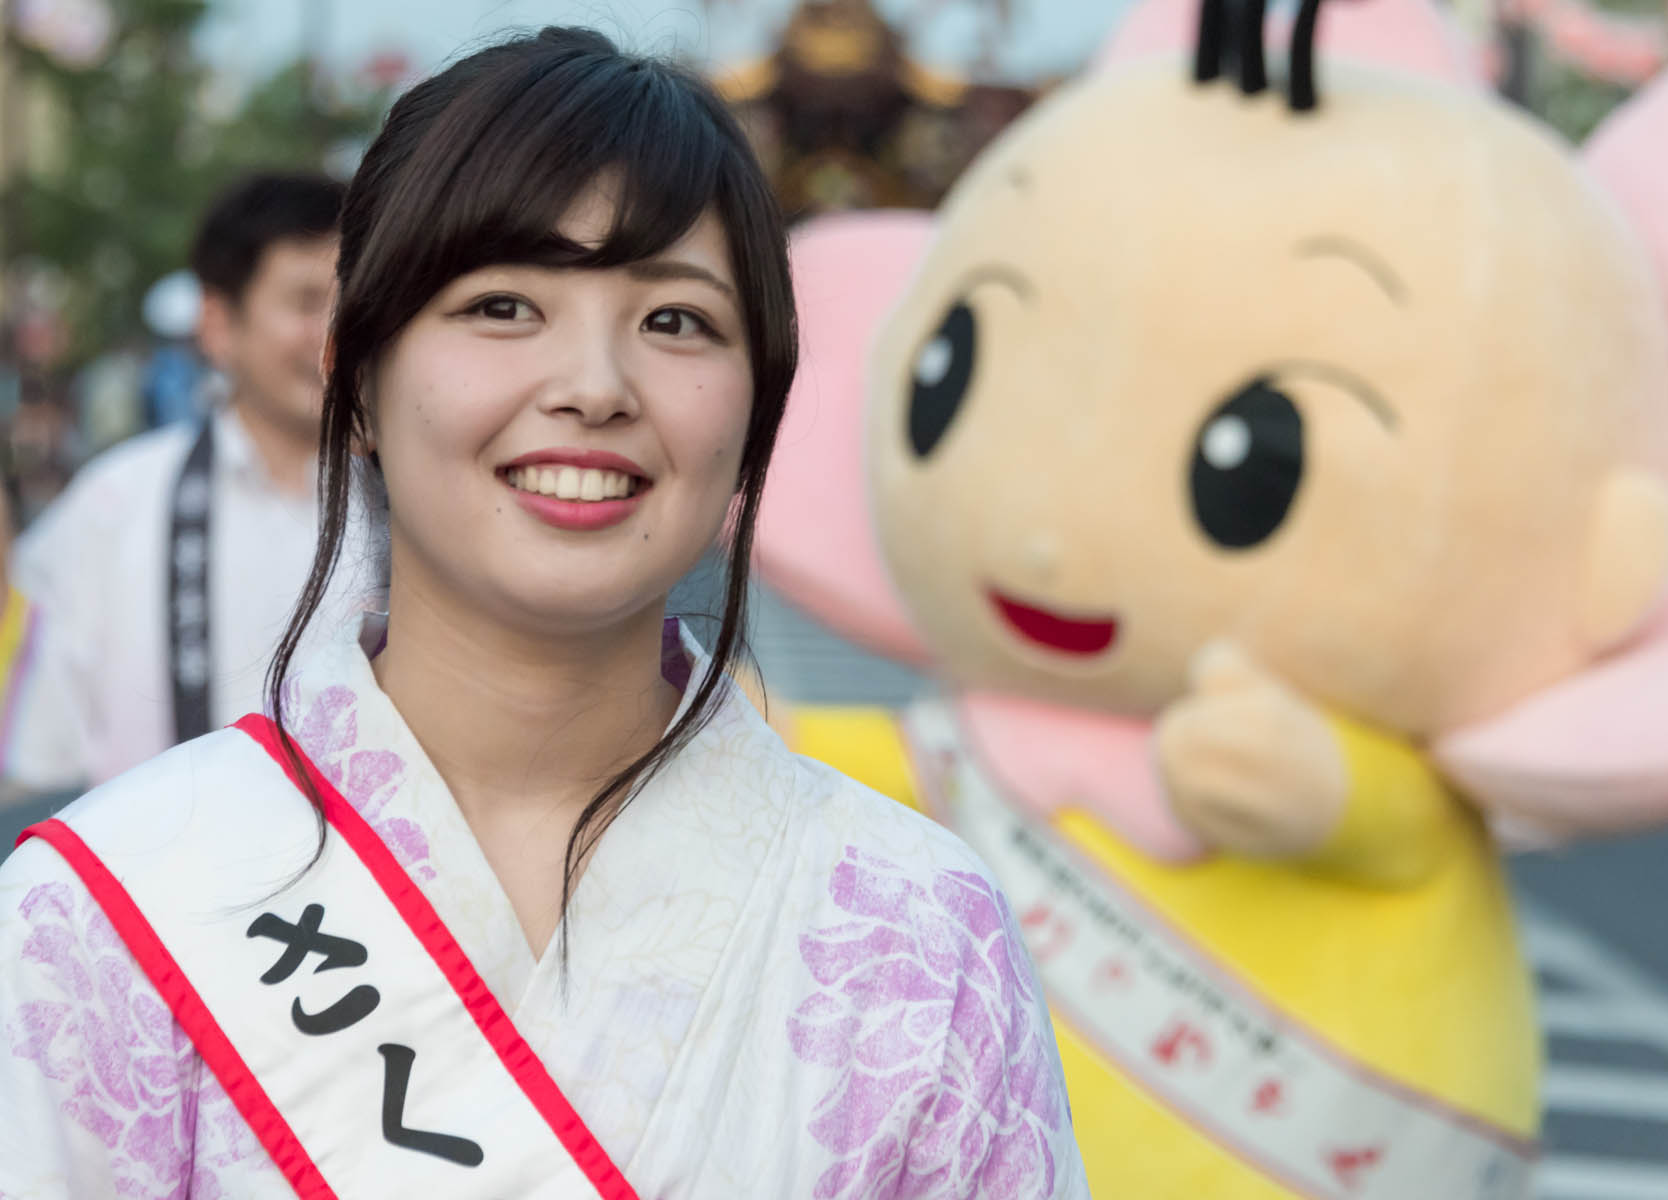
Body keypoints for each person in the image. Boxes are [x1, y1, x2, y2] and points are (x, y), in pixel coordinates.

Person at [0, 28, 1085, 1198]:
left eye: (676, 321)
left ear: (755, 411)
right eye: (504, 304)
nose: (594, 387)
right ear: (356, 378)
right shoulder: (107, 912)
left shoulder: (922, 937)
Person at [0, 171, 353, 792]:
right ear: (217, 324)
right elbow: (40, 746)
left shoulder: (418, 499)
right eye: (304, 302)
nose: (333, 332)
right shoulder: (114, 505)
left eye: (354, 301)